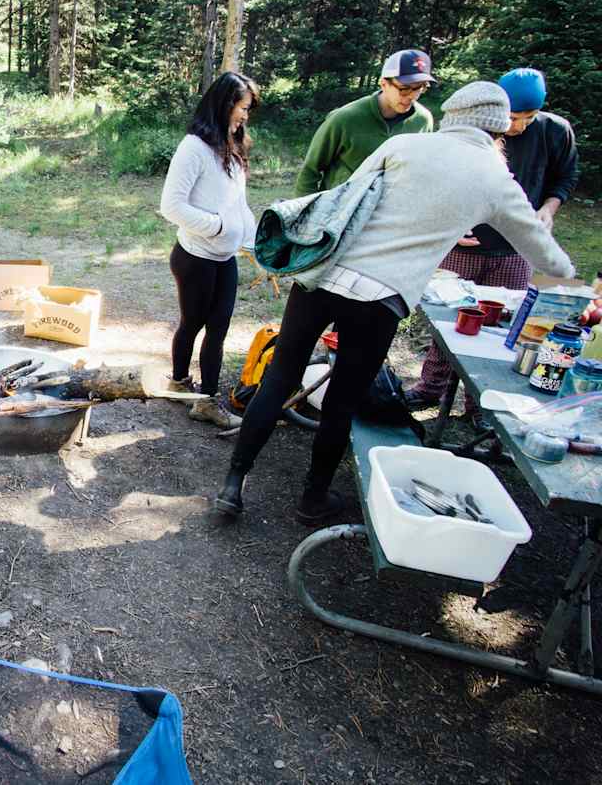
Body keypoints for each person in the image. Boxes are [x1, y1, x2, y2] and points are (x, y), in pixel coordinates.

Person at [214, 82, 574, 524]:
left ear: (452, 116)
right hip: (379, 297)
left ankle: (233, 483)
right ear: (498, 128)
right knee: (343, 398)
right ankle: (313, 499)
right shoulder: (497, 178)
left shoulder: (405, 144)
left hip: (323, 276)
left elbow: (350, 196)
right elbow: (543, 253)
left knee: (279, 377)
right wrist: (575, 279)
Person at [405, 68, 581, 420]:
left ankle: (481, 404)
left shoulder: (555, 131)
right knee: (449, 321)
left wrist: (549, 207)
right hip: (464, 247)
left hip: (515, 249)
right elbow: (434, 183)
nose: (519, 126)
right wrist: (449, 226)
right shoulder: (474, 135)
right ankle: (431, 388)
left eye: (528, 118)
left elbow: (565, 176)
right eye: (513, 118)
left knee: (502, 330)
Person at [159, 71, 260, 429]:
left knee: (218, 328)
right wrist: (217, 226)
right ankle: (179, 381)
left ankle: (205, 400)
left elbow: (236, 203)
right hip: (195, 258)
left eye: (247, 110)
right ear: (223, 105)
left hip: (224, 258)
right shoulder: (193, 149)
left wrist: (252, 235)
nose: (244, 116)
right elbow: (171, 206)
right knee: (193, 324)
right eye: (241, 108)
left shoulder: (232, 148)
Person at [294, 49, 436, 196]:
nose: (411, 96)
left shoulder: (423, 121)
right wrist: (307, 214)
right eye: (404, 89)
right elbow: (310, 171)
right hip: (339, 208)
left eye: (419, 88)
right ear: (383, 84)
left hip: (392, 211)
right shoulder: (345, 118)